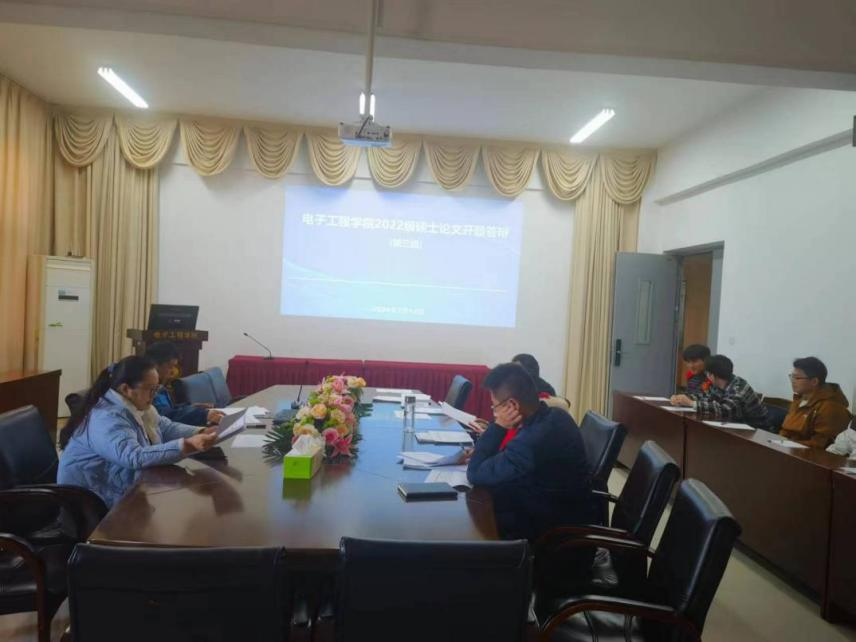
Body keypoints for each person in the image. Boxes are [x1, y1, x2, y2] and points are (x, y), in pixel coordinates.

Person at [58, 355, 219, 507]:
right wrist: (186, 445)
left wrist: (201, 432)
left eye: (157, 388)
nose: (154, 395)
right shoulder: (107, 417)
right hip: (89, 500)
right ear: (126, 389)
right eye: (151, 389)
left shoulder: (137, 405)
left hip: (119, 486)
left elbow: (165, 427)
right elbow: (133, 456)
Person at [466, 362, 593, 541]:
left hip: (548, 533)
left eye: (495, 407)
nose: (494, 414)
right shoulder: (555, 415)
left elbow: (475, 473)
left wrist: (499, 426)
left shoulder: (532, 439)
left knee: (470, 527)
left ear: (512, 405)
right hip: (557, 510)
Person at [671, 354, 769, 428]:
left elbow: (724, 410)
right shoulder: (717, 385)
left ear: (712, 375)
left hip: (756, 430)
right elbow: (704, 396)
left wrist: (691, 403)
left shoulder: (739, 388)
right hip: (734, 426)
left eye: (707, 373)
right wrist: (682, 398)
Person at [146, 341, 223, 426]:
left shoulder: (160, 386)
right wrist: (203, 415)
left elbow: (170, 409)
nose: (172, 372)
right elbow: (166, 417)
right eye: (170, 366)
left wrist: (191, 407)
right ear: (155, 365)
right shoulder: (147, 389)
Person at [780, 357, 851, 449]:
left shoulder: (831, 407)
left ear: (814, 381)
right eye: (791, 376)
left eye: (797, 378)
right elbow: (786, 430)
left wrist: (786, 444)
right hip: (786, 449)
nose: (792, 381)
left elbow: (820, 445)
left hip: (806, 455)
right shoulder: (799, 399)